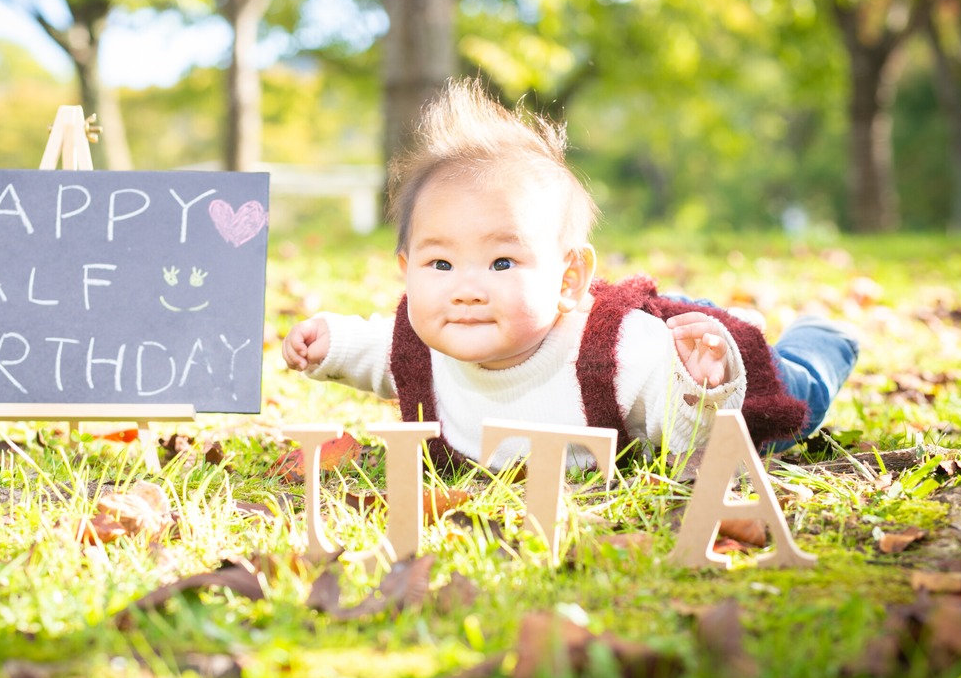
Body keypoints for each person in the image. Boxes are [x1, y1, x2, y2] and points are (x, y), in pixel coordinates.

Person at [282, 78, 858, 472]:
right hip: (662, 346)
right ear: (407, 273)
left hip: (676, 356)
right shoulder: (425, 342)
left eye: (502, 262)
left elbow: (694, 447)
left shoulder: (622, 357)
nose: (465, 286)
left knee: (792, 402)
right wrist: (328, 343)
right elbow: (375, 351)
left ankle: (821, 340)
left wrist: (704, 384)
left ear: (567, 279)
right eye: (440, 263)